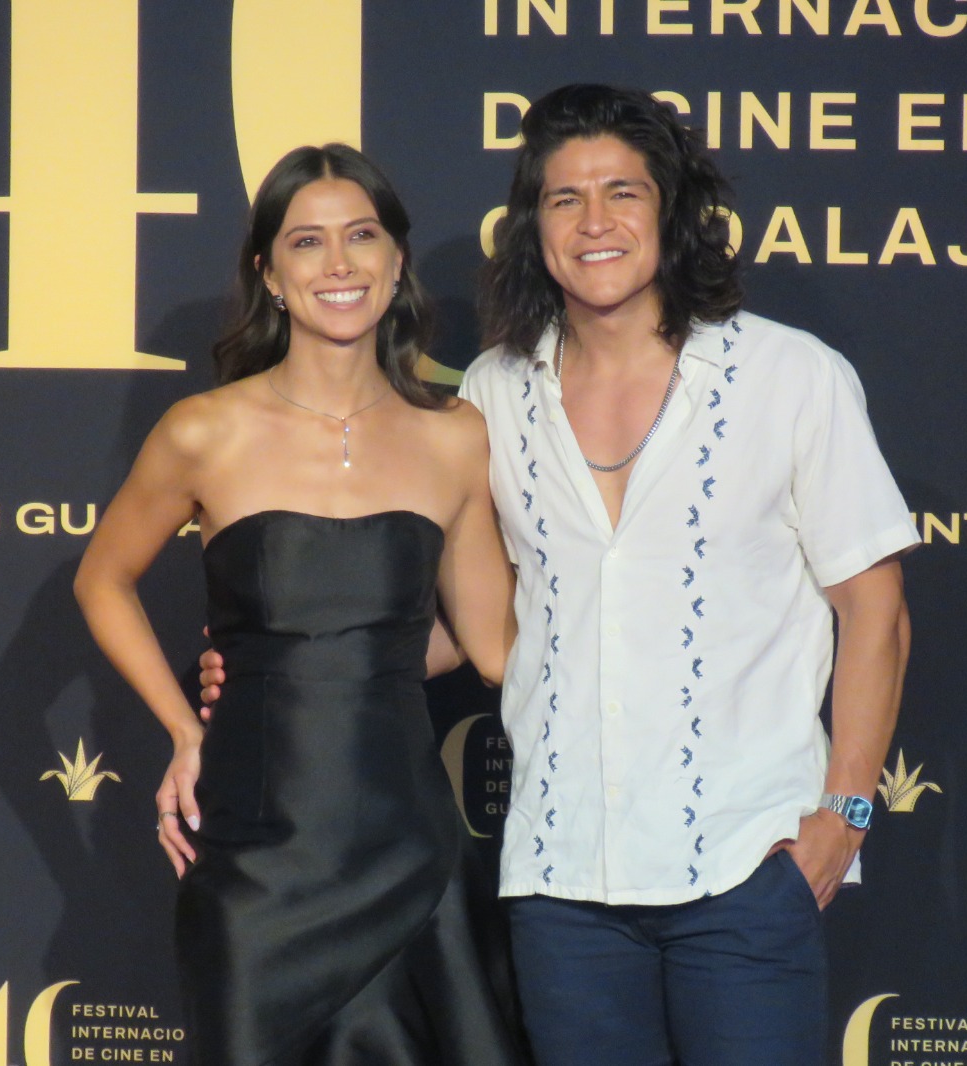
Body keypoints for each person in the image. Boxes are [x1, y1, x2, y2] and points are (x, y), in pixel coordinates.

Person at [203, 86, 917, 1065]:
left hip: (747, 867)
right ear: (530, 224)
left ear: (668, 211)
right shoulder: (496, 393)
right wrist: (292, 671)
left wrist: (845, 816)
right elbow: (485, 620)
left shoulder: (791, 377)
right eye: (563, 198)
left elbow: (873, 611)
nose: (595, 224)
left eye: (621, 192)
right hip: (560, 883)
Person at [75, 143, 526, 1065]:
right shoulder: (206, 429)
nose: (338, 264)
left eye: (361, 236)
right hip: (258, 858)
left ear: (396, 260)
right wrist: (184, 730)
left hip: (411, 848)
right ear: (269, 274)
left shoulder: (455, 436)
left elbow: (490, 647)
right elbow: (101, 580)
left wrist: (361, 653)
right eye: (307, 242)